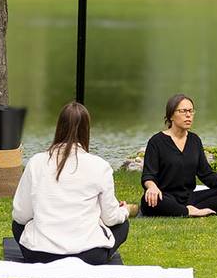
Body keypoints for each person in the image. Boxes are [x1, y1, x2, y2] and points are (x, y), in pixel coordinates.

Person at [11, 102, 134, 265]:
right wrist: (124, 211)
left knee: (17, 225)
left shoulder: (36, 162)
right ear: (87, 131)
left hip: (39, 253)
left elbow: (20, 214)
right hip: (89, 255)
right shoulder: (100, 166)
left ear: (58, 127)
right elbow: (110, 218)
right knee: (122, 225)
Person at [140, 94, 217, 216]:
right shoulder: (156, 142)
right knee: (149, 202)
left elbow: (206, 174)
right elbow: (148, 175)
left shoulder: (194, 140)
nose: (188, 115)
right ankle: (189, 211)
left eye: (191, 111)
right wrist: (152, 187)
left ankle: (184, 210)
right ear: (171, 115)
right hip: (164, 196)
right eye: (183, 111)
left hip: (190, 198)